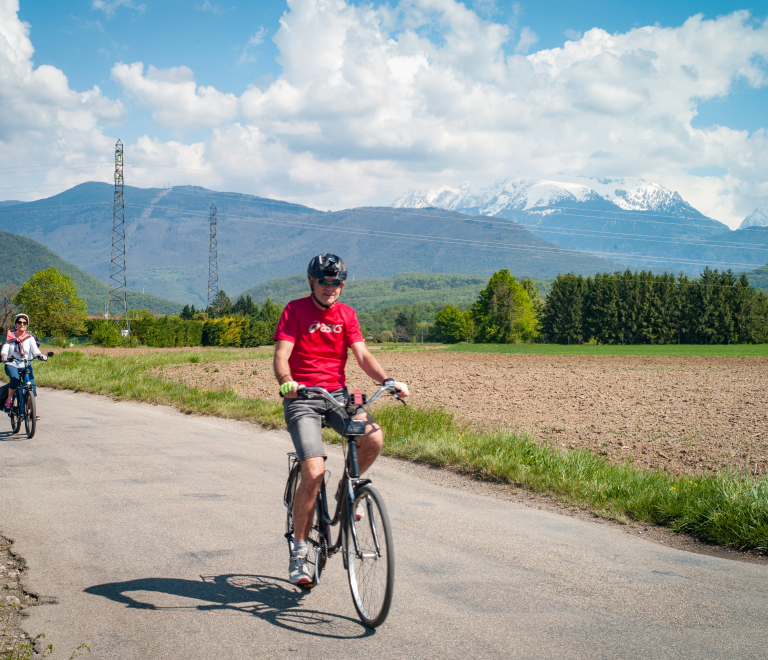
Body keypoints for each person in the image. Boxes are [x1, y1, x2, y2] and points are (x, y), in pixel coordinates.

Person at [273, 254, 409, 586]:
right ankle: (299, 551)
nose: (330, 288)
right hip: (303, 397)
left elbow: (362, 355)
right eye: (324, 282)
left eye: (336, 283)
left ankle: (344, 494)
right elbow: (281, 355)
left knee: (373, 437)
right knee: (314, 470)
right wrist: (286, 382)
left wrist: (387, 381)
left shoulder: (346, 314)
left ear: (342, 286)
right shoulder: (294, 310)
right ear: (312, 283)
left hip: (337, 395)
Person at [2, 313, 47, 415]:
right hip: (12, 363)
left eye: (24, 323)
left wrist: (41, 356)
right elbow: (4, 349)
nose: (22, 324)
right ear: (16, 324)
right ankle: (9, 400)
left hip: (26, 364)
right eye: (19, 322)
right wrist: (4, 356)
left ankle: (33, 410)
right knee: (15, 379)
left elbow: (35, 351)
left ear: (27, 325)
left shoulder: (30, 337)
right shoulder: (10, 336)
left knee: (32, 385)